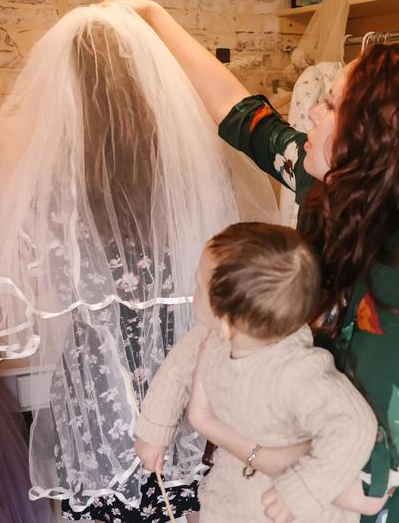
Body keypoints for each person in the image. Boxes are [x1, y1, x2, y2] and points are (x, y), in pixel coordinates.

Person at [106, 0, 399, 522]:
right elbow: (240, 114)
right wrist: (157, 17)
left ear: (376, 140)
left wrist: (217, 426)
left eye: (335, 104)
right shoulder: (329, 190)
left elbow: (366, 482)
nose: (314, 110)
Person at [134, 221, 384, 522]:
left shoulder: (298, 371)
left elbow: (353, 426)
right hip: (231, 492)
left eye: (199, 288)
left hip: (291, 509)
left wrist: (302, 489)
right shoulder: (213, 337)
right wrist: (154, 431)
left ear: (228, 321)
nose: (193, 294)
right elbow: (177, 369)